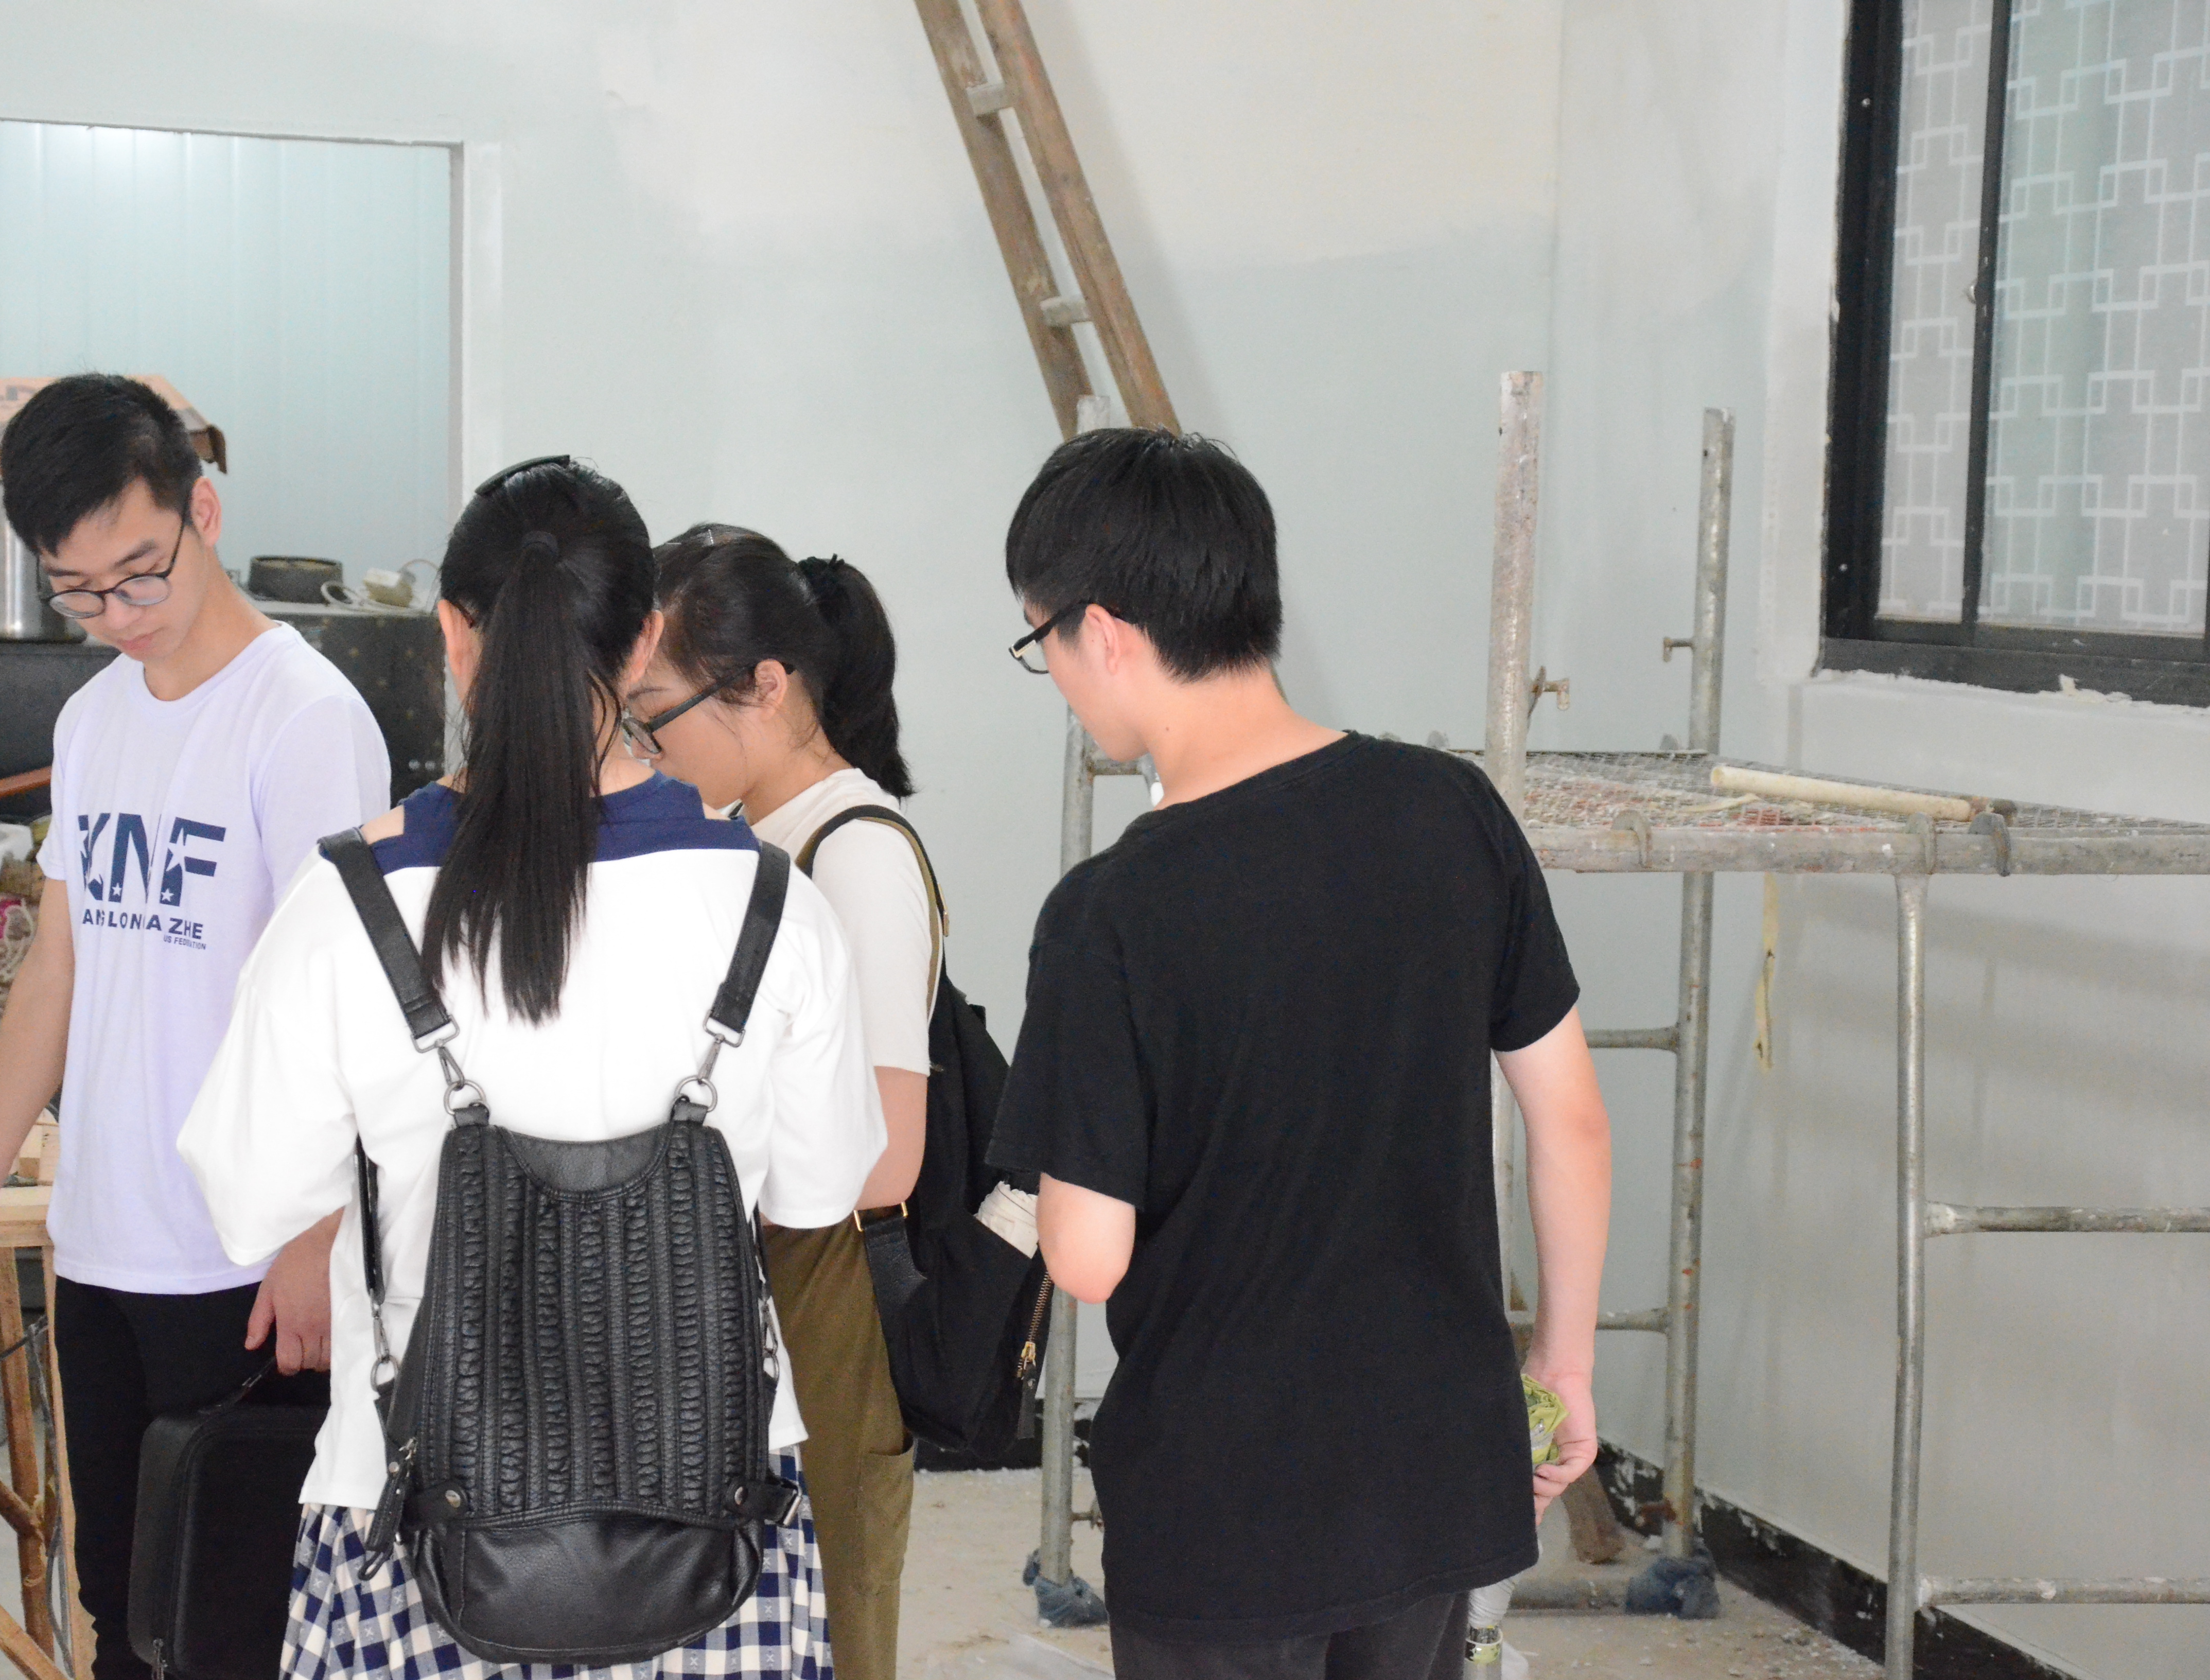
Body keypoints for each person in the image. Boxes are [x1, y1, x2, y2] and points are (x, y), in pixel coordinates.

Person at [175, 459, 885, 1680]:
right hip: (711, 1518)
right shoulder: (776, 905)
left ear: (454, 634)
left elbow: (249, 1199)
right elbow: (819, 1195)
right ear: (645, 636)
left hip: (417, 1514)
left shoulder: (350, 906)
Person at [986, 429, 1613, 1680]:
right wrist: (1563, 1365)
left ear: (1101, 633)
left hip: (1227, 1506)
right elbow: (1573, 1120)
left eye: (1037, 641)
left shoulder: (1110, 913)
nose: (1051, 674)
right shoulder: (1449, 810)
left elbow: (1089, 1258)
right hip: (1434, 1466)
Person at [0, 374, 392, 1679]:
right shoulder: (94, 715)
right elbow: (61, 963)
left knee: (238, 1624)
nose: (117, 615)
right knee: (122, 1605)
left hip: (244, 1256)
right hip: (103, 1244)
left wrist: (318, 1234)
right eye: (79, 593)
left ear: (203, 513)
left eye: (139, 575)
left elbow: (354, 999)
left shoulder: (307, 719)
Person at [631, 523, 928, 1680]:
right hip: (738, 1290)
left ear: (765, 685)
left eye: (655, 716)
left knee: (833, 1629)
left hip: (824, 1302)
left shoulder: (855, 852)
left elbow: (888, 1157)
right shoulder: (742, 838)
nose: (647, 750)